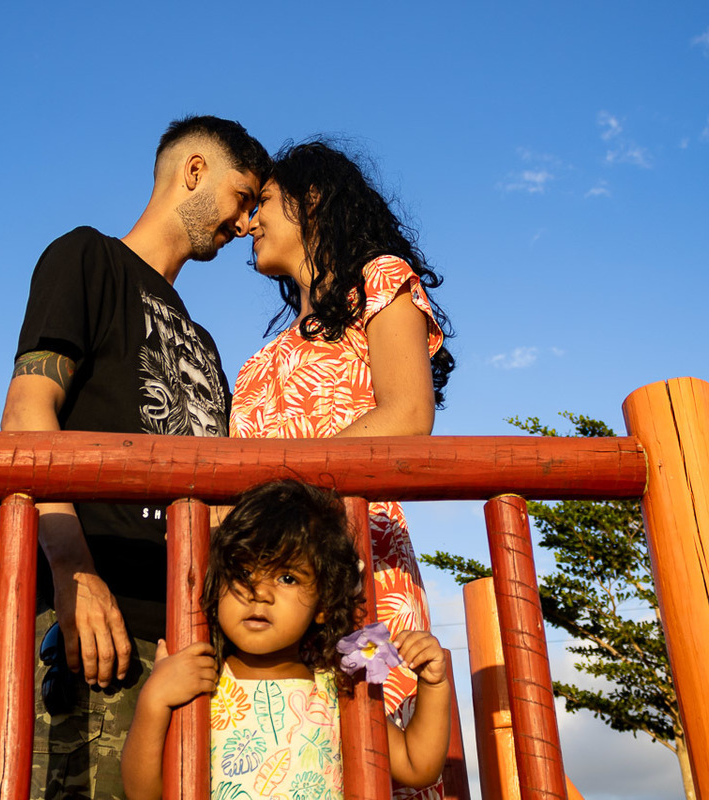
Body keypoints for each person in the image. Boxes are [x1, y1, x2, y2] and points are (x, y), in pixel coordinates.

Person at [1, 115, 270, 799]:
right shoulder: (86, 258)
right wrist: (72, 572)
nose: (245, 224)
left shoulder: (206, 345)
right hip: (100, 626)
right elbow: (28, 413)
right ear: (195, 171)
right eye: (244, 198)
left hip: (198, 645)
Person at [230, 140, 454, 799]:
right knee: (286, 759)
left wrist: (285, 493)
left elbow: (409, 412)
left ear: (314, 199)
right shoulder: (260, 360)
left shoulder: (379, 280)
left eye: (264, 202)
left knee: (372, 748)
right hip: (269, 590)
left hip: (360, 584)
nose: (247, 222)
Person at [121, 480, 452, 800]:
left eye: (287, 577)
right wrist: (155, 699)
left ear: (323, 604)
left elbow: (415, 766)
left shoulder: (337, 690)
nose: (260, 593)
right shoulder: (202, 680)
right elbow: (144, 793)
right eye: (243, 572)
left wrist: (433, 685)